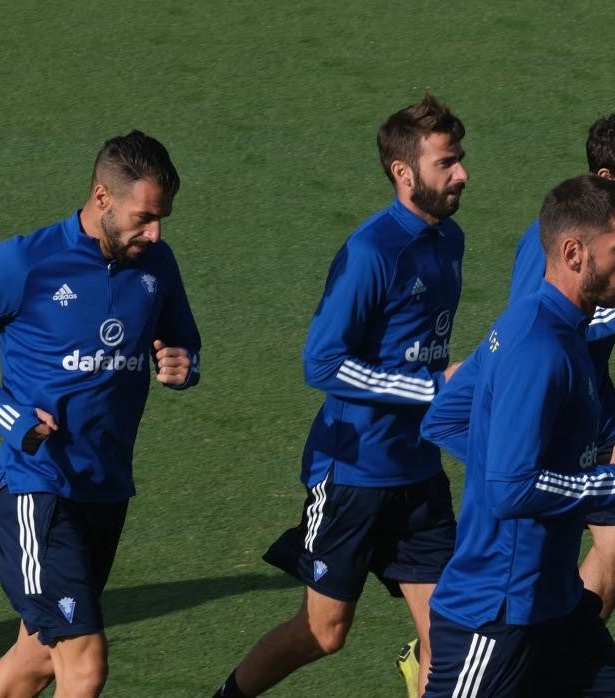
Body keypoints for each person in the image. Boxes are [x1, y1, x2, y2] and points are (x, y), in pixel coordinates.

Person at [0, 130, 201, 697]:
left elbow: (181, 342)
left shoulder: (157, 265)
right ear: (102, 197)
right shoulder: (25, 263)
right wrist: (11, 418)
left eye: (162, 219)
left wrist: (182, 364)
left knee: (37, 657)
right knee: (85, 663)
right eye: (145, 217)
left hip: (106, 489)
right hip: (37, 488)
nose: (155, 233)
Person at [213, 93, 468, 698]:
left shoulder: (448, 240)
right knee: (325, 633)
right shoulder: (370, 252)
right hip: (354, 471)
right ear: (404, 173)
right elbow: (322, 362)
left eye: (460, 158)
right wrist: (431, 388)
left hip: (419, 469)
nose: (461, 173)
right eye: (446, 163)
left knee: (452, 632)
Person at [421, 112, 615, 617]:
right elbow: (537, 337)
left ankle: (565, 644)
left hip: (591, 413)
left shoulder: (607, 236)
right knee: (601, 542)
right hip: (563, 426)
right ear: (606, 180)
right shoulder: (553, 246)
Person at [423, 175, 615, 697]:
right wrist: (613, 481)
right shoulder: (539, 349)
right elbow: (510, 490)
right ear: (574, 252)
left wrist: (520, 459)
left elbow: (444, 417)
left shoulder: (542, 322)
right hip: (498, 616)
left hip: (557, 604)